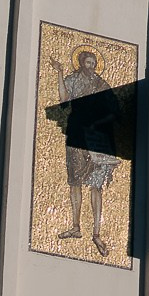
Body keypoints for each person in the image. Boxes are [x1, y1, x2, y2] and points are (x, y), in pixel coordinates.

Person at [51, 48, 122, 255]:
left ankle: (97, 233)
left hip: (97, 138)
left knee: (96, 185)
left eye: (93, 63)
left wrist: (97, 123)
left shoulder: (100, 84)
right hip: (76, 134)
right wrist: (59, 73)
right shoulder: (73, 80)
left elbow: (115, 111)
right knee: (74, 181)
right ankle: (75, 227)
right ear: (81, 63)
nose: (90, 66)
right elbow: (64, 100)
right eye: (87, 62)